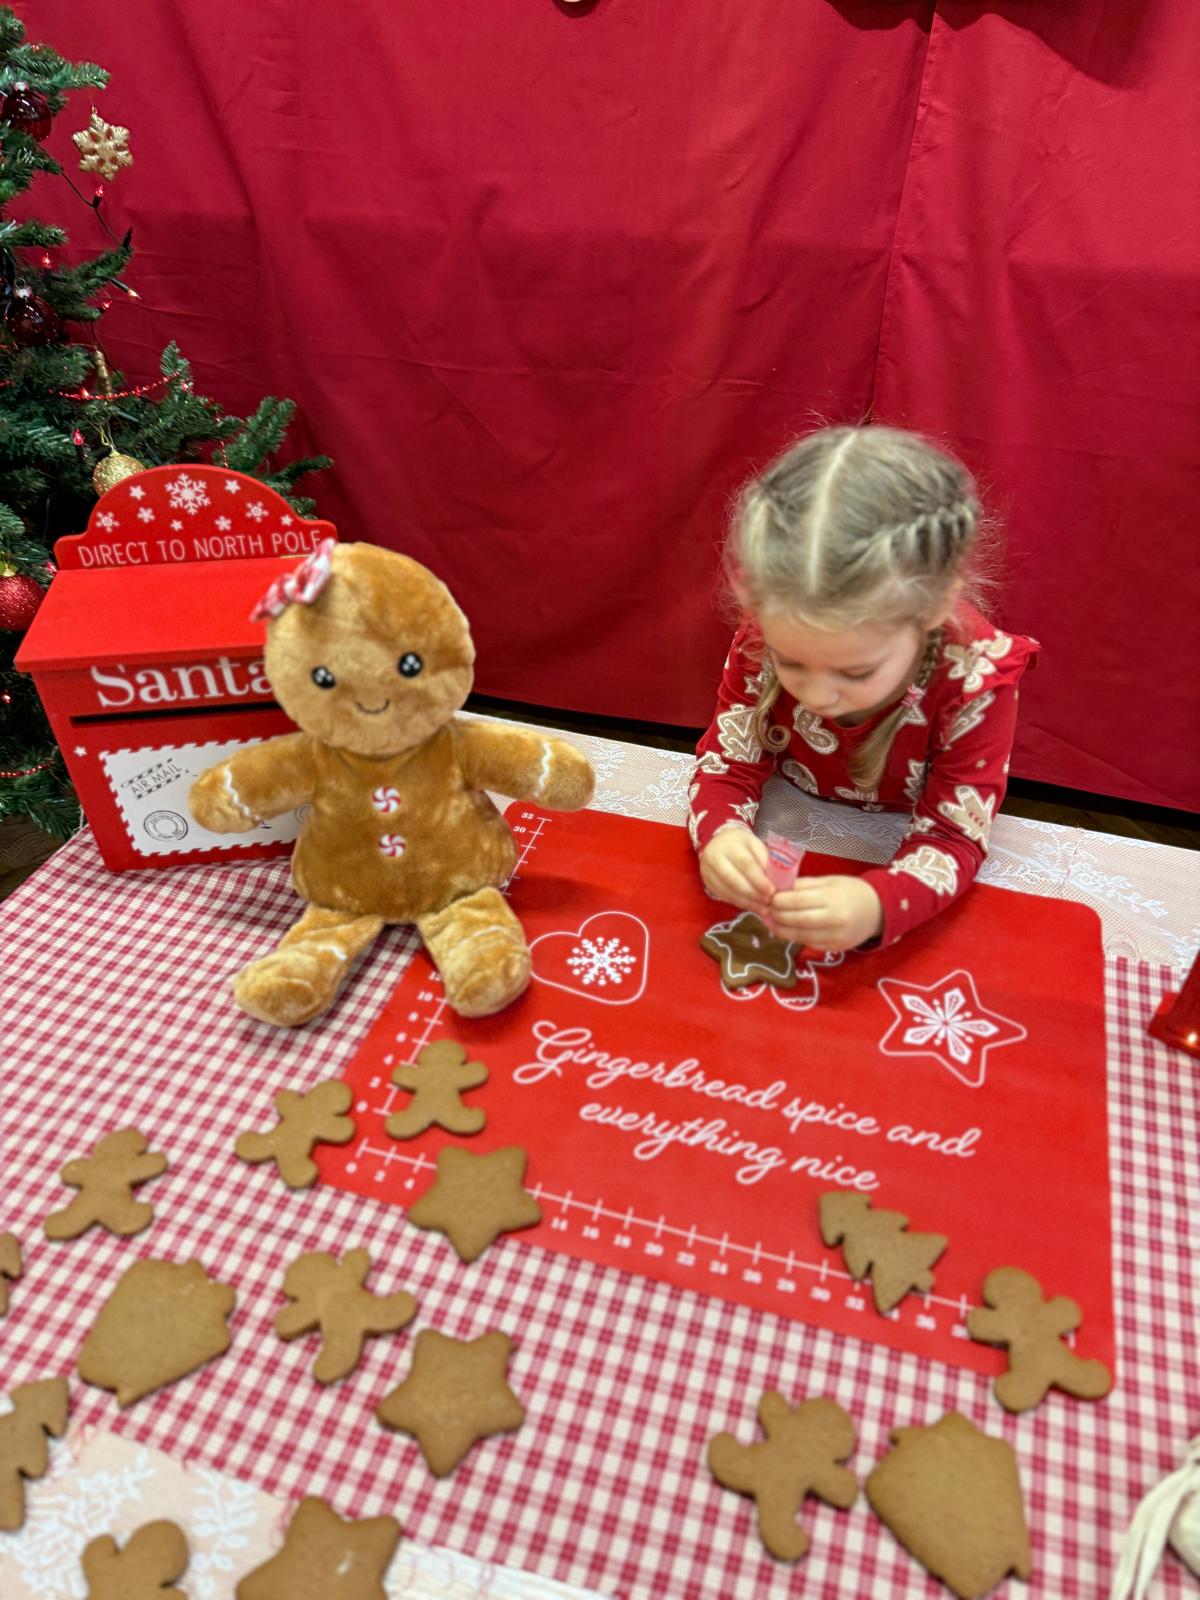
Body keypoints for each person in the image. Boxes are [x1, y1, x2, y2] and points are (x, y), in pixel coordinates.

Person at [690, 424, 1038, 952]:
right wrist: (722, 835)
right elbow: (726, 766)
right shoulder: (769, 632)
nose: (818, 696)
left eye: (855, 673)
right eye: (792, 662)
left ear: (934, 607)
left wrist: (878, 906)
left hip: (892, 840)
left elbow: (953, 837)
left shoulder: (976, 681)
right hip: (796, 813)